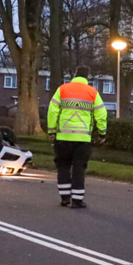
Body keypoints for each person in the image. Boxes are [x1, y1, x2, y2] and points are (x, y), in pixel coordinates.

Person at [47, 65, 108, 208]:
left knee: (63, 167)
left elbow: (52, 111)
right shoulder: (92, 92)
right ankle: (77, 200)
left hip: (63, 137)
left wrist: (51, 131)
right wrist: (102, 133)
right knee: (79, 169)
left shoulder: (62, 89)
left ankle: (65, 198)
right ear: (87, 77)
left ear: (74, 75)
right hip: (82, 140)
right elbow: (101, 114)